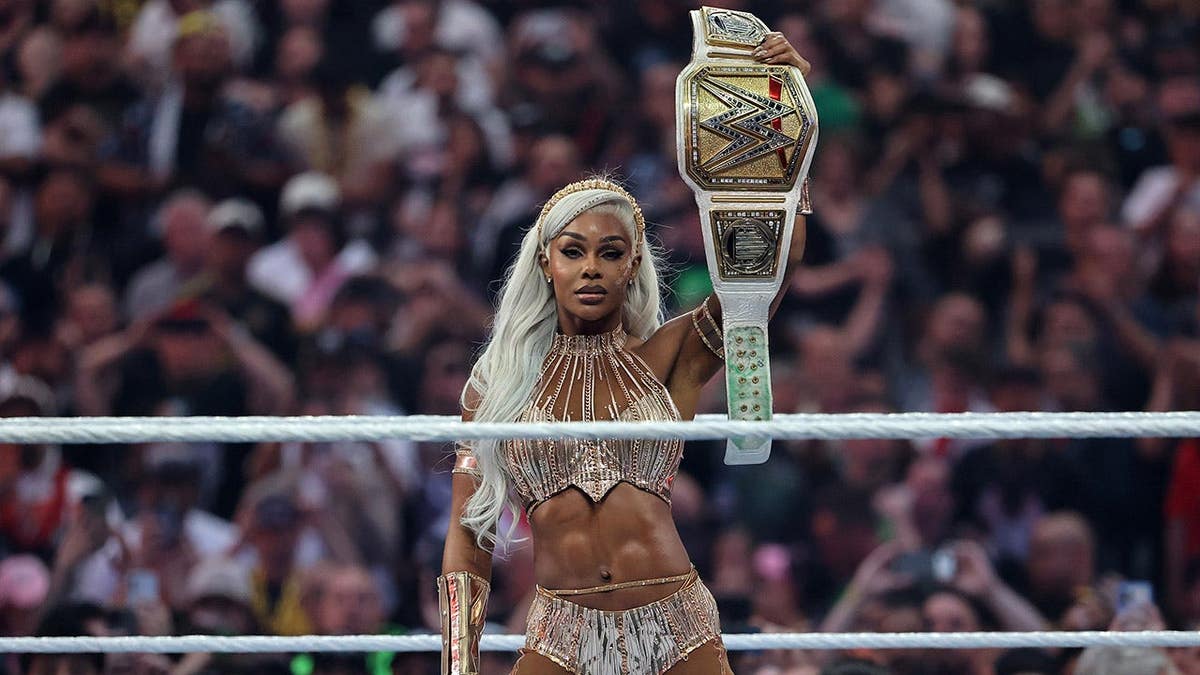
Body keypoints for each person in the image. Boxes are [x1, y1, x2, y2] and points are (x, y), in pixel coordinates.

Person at [440, 33, 813, 675]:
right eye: (573, 251)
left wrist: (790, 132)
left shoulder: (668, 355)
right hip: (561, 627)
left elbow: (765, 281)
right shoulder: (495, 384)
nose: (591, 269)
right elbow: (468, 537)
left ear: (632, 266)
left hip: (677, 619)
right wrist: (457, 665)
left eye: (610, 253)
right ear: (545, 262)